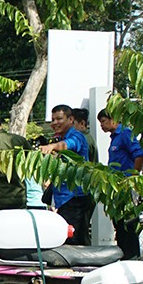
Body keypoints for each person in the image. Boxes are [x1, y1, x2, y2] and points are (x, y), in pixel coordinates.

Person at [41, 103, 94, 245]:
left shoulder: (77, 136)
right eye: (52, 120)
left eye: (59, 119)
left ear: (71, 120)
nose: (54, 123)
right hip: (64, 199)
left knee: (73, 240)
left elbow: (68, 144)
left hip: (75, 197)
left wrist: (52, 147)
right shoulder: (59, 138)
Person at [99, 108, 143, 257]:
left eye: (103, 121)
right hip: (117, 187)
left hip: (126, 187)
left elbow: (139, 154)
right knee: (119, 225)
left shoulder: (125, 133)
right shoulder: (114, 138)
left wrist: (133, 177)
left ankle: (132, 256)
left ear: (113, 119)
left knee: (127, 225)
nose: (101, 125)